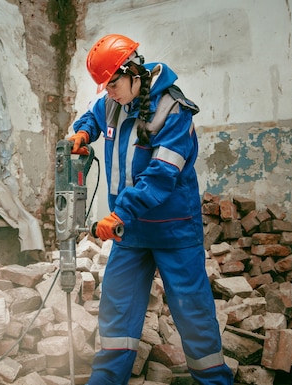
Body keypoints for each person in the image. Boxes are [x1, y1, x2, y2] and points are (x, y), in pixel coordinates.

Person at [68, 34, 234, 385]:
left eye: (113, 83)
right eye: (105, 86)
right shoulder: (114, 101)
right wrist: (83, 133)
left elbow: (160, 177)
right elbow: (94, 115)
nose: (109, 92)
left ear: (133, 72)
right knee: (117, 310)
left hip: (173, 230)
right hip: (132, 231)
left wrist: (118, 213)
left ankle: (214, 381)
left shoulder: (174, 111)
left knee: (192, 313)